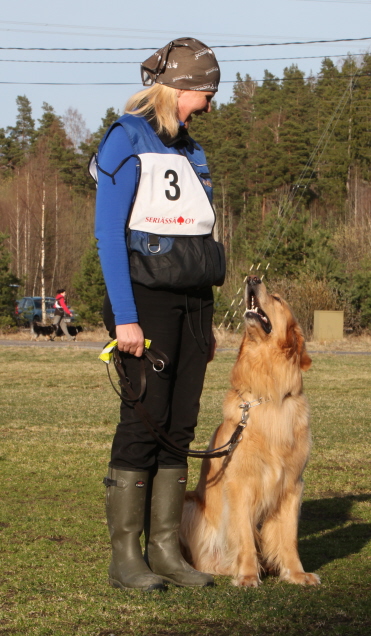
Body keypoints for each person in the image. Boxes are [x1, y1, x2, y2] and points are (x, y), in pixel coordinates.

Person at [95, 37, 225, 592]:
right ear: (180, 87)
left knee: (180, 427)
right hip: (144, 302)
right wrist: (126, 317)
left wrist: (208, 320)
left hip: (194, 303)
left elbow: (199, 231)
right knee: (143, 421)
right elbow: (107, 232)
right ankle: (127, 559)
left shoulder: (191, 150)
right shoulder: (126, 139)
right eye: (206, 93)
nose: (211, 104)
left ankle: (167, 551)